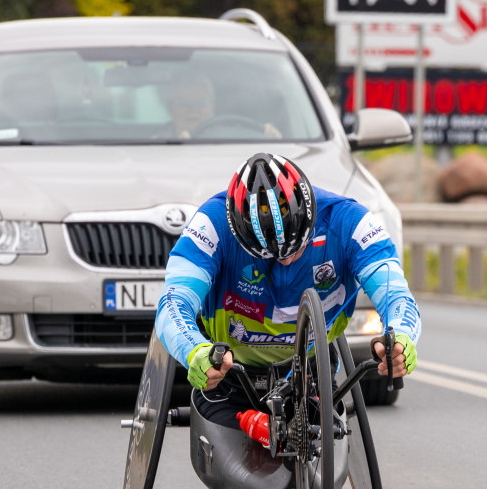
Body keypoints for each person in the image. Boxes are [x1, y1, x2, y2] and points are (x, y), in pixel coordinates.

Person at [155, 152, 421, 428]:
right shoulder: (211, 223)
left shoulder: (350, 220)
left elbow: (396, 295)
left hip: (310, 369)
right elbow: (173, 302)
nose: (285, 261)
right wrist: (193, 350)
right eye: (268, 256)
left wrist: (400, 336)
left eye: (297, 248)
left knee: (326, 434)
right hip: (230, 372)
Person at [163, 72, 281, 140]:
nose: (193, 109)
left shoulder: (236, 137)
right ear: (170, 108)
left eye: (202, 103)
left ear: (212, 108)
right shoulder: (155, 144)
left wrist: (272, 138)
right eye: (184, 103)